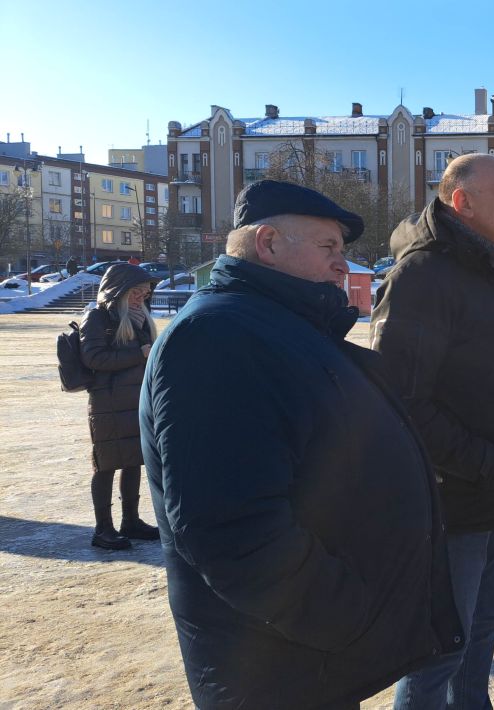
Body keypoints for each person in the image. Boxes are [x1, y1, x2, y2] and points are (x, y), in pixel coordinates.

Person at [139, 180, 460, 708]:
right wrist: (347, 615)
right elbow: (233, 530)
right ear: (267, 243)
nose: (341, 264)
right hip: (275, 665)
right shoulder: (219, 337)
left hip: (308, 654)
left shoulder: (283, 327)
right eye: (328, 246)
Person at [372, 155, 494, 709]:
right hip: (455, 500)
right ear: (462, 202)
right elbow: (399, 399)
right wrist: (480, 461)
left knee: (481, 628)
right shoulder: (423, 275)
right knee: (439, 648)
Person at [80, 263, 160, 551]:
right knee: (106, 464)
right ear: (119, 291)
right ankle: (103, 529)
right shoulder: (98, 317)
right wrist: (139, 353)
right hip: (108, 402)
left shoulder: (139, 318)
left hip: (136, 400)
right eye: (135, 292)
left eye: (144, 293)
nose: (140, 298)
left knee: (133, 460)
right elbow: (94, 358)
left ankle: (131, 521)